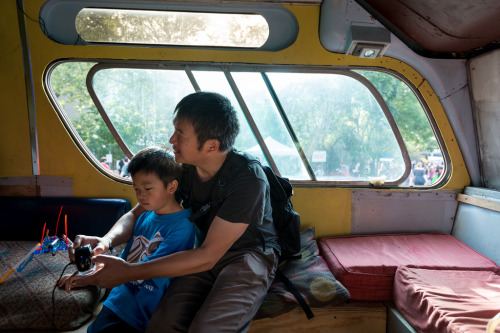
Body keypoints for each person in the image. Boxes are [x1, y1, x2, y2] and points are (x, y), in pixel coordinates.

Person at [63, 92, 279, 333]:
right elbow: (136, 215)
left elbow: (209, 256)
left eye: (181, 134)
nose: (171, 139)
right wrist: (106, 240)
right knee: (162, 325)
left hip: (247, 255)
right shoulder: (184, 169)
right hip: (204, 249)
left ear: (211, 145)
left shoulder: (248, 179)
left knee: (207, 329)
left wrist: (129, 272)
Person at [60, 145, 196, 332]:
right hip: (118, 299)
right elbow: (127, 257)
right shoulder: (146, 215)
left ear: (172, 186)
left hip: (138, 311)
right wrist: (88, 273)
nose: (141, 195)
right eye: (137, 189)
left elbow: (148, 268)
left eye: (148, 188)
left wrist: (90, 279)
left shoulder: (182, 227)